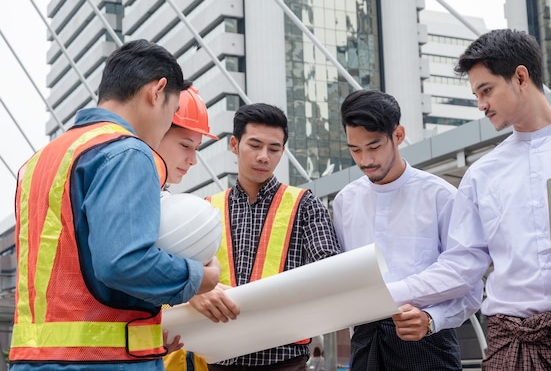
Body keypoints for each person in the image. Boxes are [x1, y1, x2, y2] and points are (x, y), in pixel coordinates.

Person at [403, 29, 551, 370]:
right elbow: (461, 265)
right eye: (477, 94)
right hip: (510, 344)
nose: (481, 105)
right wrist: (389, 293)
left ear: (520, 77)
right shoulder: (481, 174)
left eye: (486, 90)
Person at [9, 39, 222, 371]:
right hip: (103, 362)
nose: (167, 122)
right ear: (157, 91)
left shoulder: (38, 163)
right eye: (172, 110)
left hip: (35, 360)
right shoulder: (126, 151)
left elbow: (72, 274)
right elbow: (122, 263)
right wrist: (200, 278)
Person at [333, 89, 482, 371]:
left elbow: (471, 285)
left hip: (427, 342)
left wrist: (432, 318)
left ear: (398, 135)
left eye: (374, 146)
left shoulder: (441, 196)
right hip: (365, 343)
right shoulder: (344, 202)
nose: (365, 159)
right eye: (355, 149)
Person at [191, 103, 343, 371]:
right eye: (255, 145)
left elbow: (330, 272)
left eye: (274, 149)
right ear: (234, 145)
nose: (264, 156)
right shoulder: (207, 209)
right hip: (218, 357)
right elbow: (182, 274)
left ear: (282, 151)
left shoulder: (304, 205)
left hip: (283, 360)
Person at [159, 86, 219, 370]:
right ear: (155, 128)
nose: (193, 159)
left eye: (197, 148)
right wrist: (198, 281)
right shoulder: (137, 201)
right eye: (185, 146)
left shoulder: (162, 203)